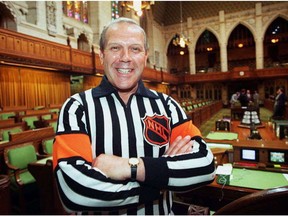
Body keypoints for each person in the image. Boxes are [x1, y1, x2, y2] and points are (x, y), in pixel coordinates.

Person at [53, 17, 215, 215]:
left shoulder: (168, 106)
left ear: (145, 57)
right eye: (115, 48)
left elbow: (205, 165)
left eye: (135, 49)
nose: (125, 57)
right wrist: (159, 180)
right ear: (101, 56)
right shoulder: (77, 108)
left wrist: (128, 167)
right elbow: (73, 191)